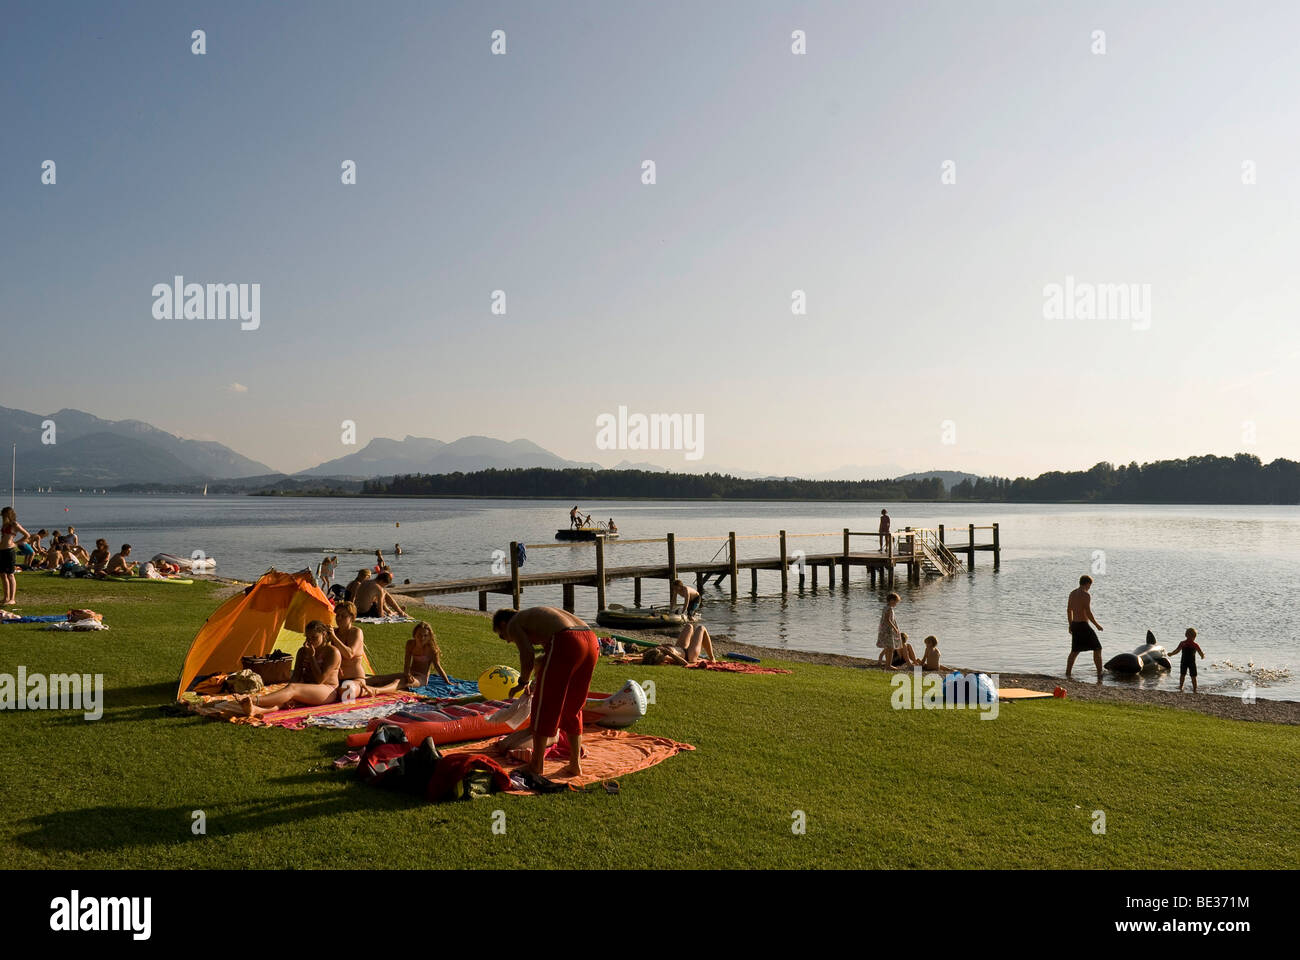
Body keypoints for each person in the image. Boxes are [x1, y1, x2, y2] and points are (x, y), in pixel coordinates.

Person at [492, 607, 599, 778]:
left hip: (567, 640)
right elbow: (549, 655)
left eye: (502, 635)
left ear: (504, 624)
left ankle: (536, 764)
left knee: (545, 704)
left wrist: (523, 682)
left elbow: (528, 655)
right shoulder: (536, 618)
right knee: (573, 707)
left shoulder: (514, 623)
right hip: (591, 640)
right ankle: (574, 765)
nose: (507, 641)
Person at [240, 621, 341, 715]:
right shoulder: (303, 651)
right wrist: (286, 694)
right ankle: (256, 710)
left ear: (324, 634)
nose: (310, 641)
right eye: (307, 638)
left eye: (314, 638)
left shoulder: (332, 652)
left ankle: (255, 700)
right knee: (284, 697)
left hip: (327, 690)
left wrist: (311, 657)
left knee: (293, 689)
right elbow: (296, 676)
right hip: (307, 686)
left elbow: (320, 680)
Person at [326, 601, 400, 701]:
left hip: (354, 678)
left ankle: (370, 689)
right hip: (335, 679)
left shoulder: (355, 632)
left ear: (352, 617)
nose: (339, 618)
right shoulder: (333, 632)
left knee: (345, 693)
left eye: (343, 616)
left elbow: (349, 654)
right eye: (337, 615)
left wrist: (333, 637)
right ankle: (374, 683)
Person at [1066, 574, 1104, 681]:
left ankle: (1068, 673)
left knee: (1074, 651)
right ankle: (1100, 673)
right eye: (1090, 585)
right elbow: (1088, 612)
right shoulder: (1086, 595)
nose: (1089, 587)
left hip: (1075, 624)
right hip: (1083, 625)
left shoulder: (1072, 593)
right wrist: (1097, 625)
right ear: (1087, 584)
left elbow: (1069, 610)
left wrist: (1070, 625)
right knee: (1097, 648)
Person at [399, 620, 449, 688]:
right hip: (411, 674)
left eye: (425, 635)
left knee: (400, 683)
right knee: (382, 679)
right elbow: (407, 663)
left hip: (422, 678)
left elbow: (438, 666)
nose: (422, 638)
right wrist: (407, 674)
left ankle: (379, 690)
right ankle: (379, 688)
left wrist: (448, 682)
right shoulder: (410, 644)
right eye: (419, 635)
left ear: (429, 637)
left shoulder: (431, 649)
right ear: (414, 634)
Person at [643, 623, 717, 665]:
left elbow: (646, 652)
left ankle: (695, 644)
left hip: (681, 648)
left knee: (689, 626)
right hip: (690, 656)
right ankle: (712, 658)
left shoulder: (659, 651)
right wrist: (669, 653)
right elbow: (686, 663)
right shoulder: (666, 657)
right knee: (701, 628)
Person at [1, 507, 31, 606]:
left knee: (10, 574)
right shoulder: (5, 525)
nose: (3, 517)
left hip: (10, 551)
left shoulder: (15, 524)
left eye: (4, 515)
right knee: (3, 574)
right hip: (2, 550)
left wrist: (16, 543)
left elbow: (27, 535)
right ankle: (6, 597)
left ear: (8, 515)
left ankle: (12, 599)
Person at [1170, 628, 1205, 693]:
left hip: (1184, 662)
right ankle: (1194, 689)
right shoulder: (1194, 645)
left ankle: (1181, 687)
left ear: (1186, 635)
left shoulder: (1183, 643)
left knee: (1183, 675)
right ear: (1194, 637)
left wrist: (1171, 654)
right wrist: (1202, 656)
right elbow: (1200, 652)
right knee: (1192, 676)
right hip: (1191, 662)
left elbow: (1177, 651)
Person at [877, 592, 902, 669]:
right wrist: (895, 628)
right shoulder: (889, 609)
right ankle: (888, 665)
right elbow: (887, 620)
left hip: (884, 629)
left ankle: (888, 664)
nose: (896, 604)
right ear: (891, 600)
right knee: (891, 649)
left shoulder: (885, 607)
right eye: (895, 602)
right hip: (888, 631)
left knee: (888, 648)